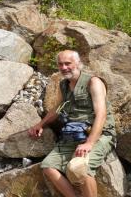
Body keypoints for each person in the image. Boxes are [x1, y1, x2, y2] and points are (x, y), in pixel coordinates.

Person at [28, 50, 116, 197]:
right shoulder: (64, 85)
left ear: (78, 63)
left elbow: (101, 115)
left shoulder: (93, 82)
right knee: (48, 167)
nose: (64, 67)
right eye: (60, 64)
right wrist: (40, 124)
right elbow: (57, 109)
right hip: (72, 134)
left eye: (68, 63)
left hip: (98, 134)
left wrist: (90, 143)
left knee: (82, 169)